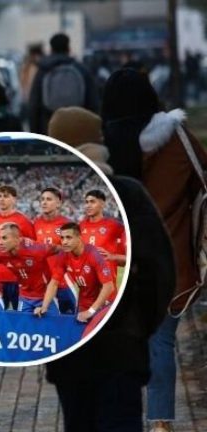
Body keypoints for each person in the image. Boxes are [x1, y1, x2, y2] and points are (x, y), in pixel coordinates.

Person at [101, 67, 207, 432]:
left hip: (115, 261)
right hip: (170, 256)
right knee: (161, 341)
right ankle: (160, 421)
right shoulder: (176, 137)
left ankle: (120, 416)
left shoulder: (102, 144)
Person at [46, 175, 175, 432]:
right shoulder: (125, 195)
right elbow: (160, 274)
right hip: (109, 347)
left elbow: (153, 271)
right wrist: (138, 330)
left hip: (92, 348)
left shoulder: (120, 212)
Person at [29, 33, 99, 134]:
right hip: (78, 127)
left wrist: (35, 133)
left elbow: (34, 105)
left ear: (51, 49)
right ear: (68, 48)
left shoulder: (43, 71)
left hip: (49, 127)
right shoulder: (80, 69)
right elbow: (93, 102)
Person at [50, 222, 116, 323]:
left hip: (104, 303)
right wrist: (44, 307)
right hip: (84, 302)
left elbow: (109, 287)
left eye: (68, 238)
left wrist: (91, 311)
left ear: (79, 238)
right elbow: (53, 283)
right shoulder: (64, 255)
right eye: (62, 238)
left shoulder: (94, 254)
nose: (64, 242)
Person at [0, 185, 35, 310]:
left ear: (14, 199)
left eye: (6, 196)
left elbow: (33, 246)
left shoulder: (23, 220)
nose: (2, 199)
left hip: (17, 276)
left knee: (18, 313)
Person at [0, 223, 60, 315]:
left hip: (45, 296)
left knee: (55, 323)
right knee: (21, 323)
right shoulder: (0, 253)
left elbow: (60, 249)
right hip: (24, 297)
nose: (0, 242)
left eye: (4, 238)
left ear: (17, 239)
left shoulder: (36, 249)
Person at [33, 187, 76, 314]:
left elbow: (76, 250)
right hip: (45, 284)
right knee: (51, 319)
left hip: (65, 281)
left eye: (49, 199)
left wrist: (56, 248)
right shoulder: (35, 224)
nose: (44, 202)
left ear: (58, 203)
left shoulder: (67, 224)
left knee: (74, 318)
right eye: (42, 199)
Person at [80, 190, 127, 282]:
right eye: (87, 202)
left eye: (92, 202)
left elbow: (126, 260)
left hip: (107, 285)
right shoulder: (80, 226)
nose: (88, 205)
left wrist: (112, 257)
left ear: (102, 204)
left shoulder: (115, 226)